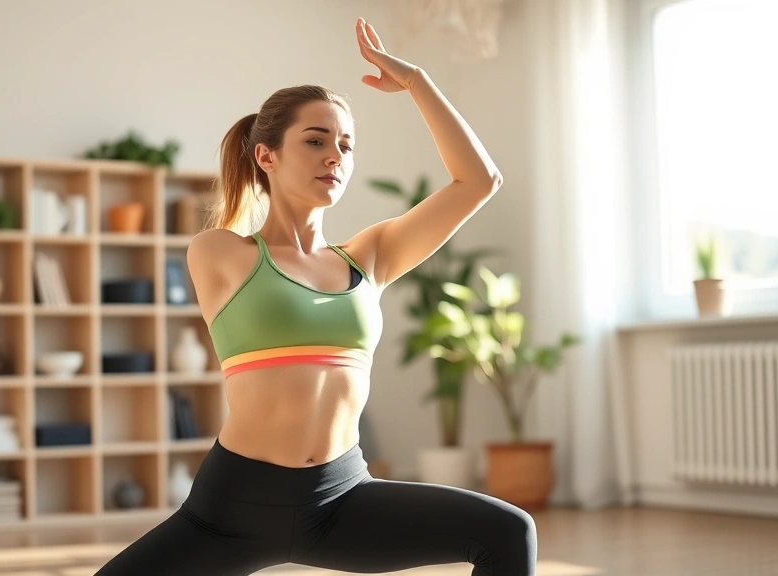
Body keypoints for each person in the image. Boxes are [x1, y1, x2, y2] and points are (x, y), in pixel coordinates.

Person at [94, 18, 536, 576]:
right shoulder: (221, 254)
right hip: (234, 507)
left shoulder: (369, 257)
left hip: (342, 499)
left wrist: (418, 80)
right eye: (315, 140)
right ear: (266, 157)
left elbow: (478, 180)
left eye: (346, 145)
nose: (335, 156)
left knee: (507, 531)